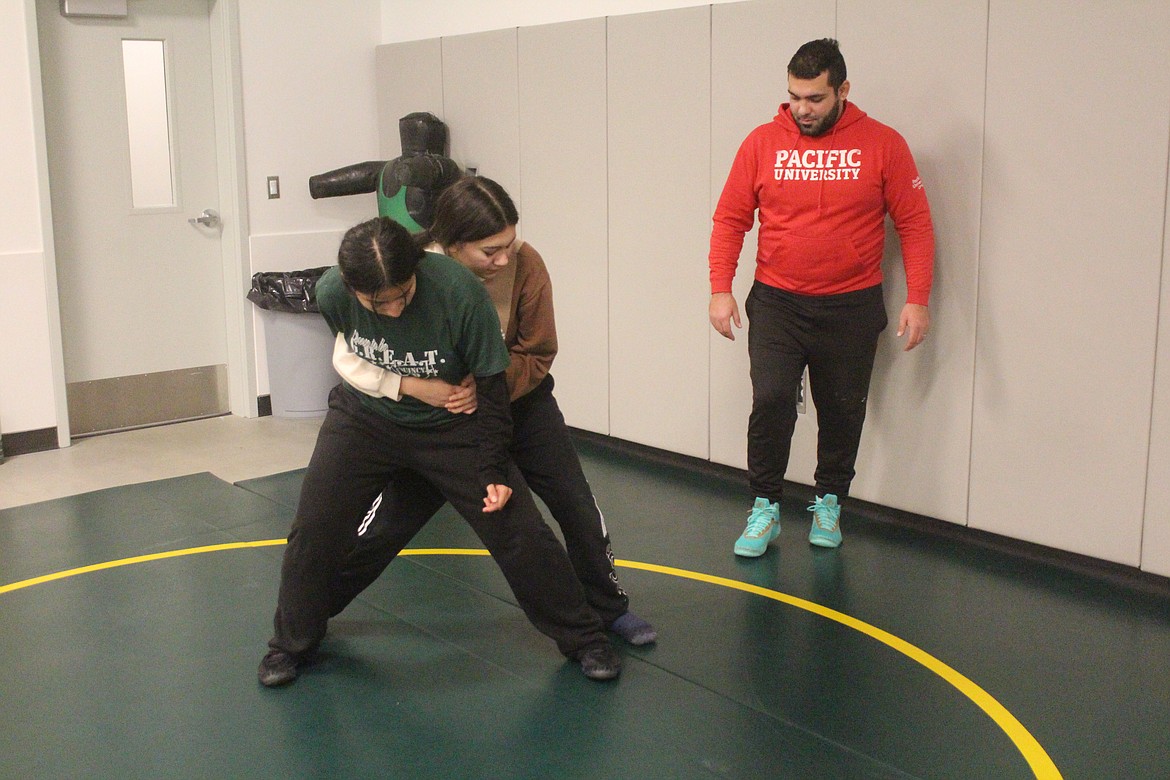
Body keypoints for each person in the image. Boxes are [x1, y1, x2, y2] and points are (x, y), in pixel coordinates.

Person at [259, 216, 621, 686]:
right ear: (351, 288)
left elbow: (491, 386)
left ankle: (586, 639)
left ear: (417, 273)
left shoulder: (457, 292)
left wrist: (492, 468)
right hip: (365, 420)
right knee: (315, 527)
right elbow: (351, 357)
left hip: (452, 426)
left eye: (402, 296)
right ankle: (290, 644)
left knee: (519, 531)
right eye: (376, 303)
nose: (391, 312)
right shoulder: (331, 293)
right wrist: (405, 385)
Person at [329, 175, 657, 646]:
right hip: (441, 422)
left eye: (508, 244)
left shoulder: (527, 265)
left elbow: (538, 352)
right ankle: (318, 607)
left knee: (577, 508)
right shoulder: (414, 271)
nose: (503, 258)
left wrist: (485, 387)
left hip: (521, 405)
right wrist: (420, 389)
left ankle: (609, 607)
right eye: (489, 251)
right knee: (383, 527)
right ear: (451, 244)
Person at [707, 38, 934, 557]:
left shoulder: (883, 144)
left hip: (851, 307)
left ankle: (829, 501)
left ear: (843, 90)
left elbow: (916, 223)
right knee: (770, 402)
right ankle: (764, 507)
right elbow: (731, 219)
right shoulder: (762, 142)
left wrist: (917, 296)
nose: (802, 110)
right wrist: (721, 289)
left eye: (815, 98)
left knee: (842, 410)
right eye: (794, 98)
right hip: (777, 303)